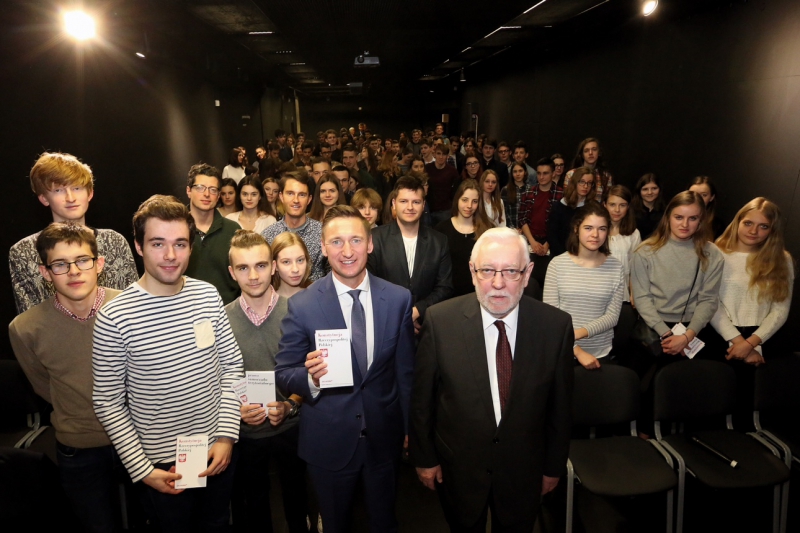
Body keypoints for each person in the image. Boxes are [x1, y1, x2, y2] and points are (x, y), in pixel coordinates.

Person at [92, 195, 244, 530]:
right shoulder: (114, 317)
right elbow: (107, 402)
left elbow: (232, 367)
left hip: (216, 451)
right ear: (138, 246)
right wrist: (143, 470)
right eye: (158, 243)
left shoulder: (208, 295)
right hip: (161, 465)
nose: (171, 255)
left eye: (180, 244)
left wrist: (226, 436)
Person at [409, 227, 574, 533]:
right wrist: (425, 458)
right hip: (458, 470)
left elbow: (560, 408)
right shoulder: (440, 321)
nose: (498, 284)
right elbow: (422, 401)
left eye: (511, 271)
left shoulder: (556, 327)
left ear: (527, 274)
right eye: (487, 270)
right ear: (472, 272)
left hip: (524, 472)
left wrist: (553, 467)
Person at [275, 206, 415, 533]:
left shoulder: (399, 299)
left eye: (356, 240)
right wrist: (311, 378)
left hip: (383, 439)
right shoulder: (303, 304)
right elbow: (284, 372)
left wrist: (410, 429)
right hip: (329, 442)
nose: (347, 251)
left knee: (385, 522)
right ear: (323, 248)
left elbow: (406, 373)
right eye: (336, 242)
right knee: (335, 524)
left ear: (370, 243)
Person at [10, 223, 123, 532]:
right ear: (45, 273)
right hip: (79, 448)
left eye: (82, 260)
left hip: (142, 439)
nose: (74, 271)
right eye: (60, 264)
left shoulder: (132, 310)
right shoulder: (25, 328)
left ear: (99, 264)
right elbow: (43, 385)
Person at [224, 230, 308, 533]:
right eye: (243, 268)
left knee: (298, 503)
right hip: (246, 434)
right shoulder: (222, 319)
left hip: (294, 428)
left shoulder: (297, 313)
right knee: (254, 509)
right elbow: (218, 379)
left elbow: (312, 374)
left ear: (273, 267)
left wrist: (290, 405)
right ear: (232, 272)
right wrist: (236, 411)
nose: (253, 276)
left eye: (260, 265)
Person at [10, 152, 138, 315]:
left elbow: (133, 303)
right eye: (58, 190)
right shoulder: (24, 251)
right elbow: (30, 318)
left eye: (76, 188)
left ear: (89, 193)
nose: (70, 198)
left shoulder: (114, 241)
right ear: (44, 198)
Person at [710, 198, 794, 427]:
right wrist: (738, 342)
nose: (754, 231)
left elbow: (780, 310)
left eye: (763, 226)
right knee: (716, 411)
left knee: (750, 416)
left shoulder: (782, 259)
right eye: (748, 223)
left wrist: (751, 344)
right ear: (738, 221)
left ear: (772, 230)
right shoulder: (715, 253)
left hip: (764, 341)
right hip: (720, 339)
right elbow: (711, 304)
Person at [631, 191, 724, 358]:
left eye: (693, 218)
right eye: (679, 217)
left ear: (701, 220)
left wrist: (687, 336)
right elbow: (641, 298)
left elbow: (708, 299)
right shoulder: (644, 252)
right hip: (654, 328)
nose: (685, 224)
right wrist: (667, 334)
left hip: (694, 328)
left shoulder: (712, 253)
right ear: (668, 217)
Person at [544, 203, 624, 369]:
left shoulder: (616, 267)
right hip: (563, 350)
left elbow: (612, 316)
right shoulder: (557, 265)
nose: (595, 235)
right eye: (588, 228)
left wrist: (576, 334)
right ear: (576, 229)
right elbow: (551, 317)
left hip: (600, 353)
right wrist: (576, 350)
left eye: (602, 229)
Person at [368, 175, 453, 332]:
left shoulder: (439, 241)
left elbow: (445, 287)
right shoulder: (375, 238)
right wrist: (401, 316)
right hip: (385, 324)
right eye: (403, 201)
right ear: (394, 204)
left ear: (423, 205)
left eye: (416, 202)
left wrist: (417, 311)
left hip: (425, 326)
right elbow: (370, 284)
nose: (410, 207)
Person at [183, 163, 242, 304]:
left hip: (227, 310)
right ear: (189, 191)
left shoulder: (232, 230)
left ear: (218, 195)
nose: (207, 194)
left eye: (213, 189)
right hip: (185, 311)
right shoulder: (176, 230)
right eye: (200, 188)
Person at [261, 172, 325, 281]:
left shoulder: (322, 233)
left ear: (309, 199)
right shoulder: (268, 235)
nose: (296, 200)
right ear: (281, 197)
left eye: (302, 195)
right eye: (290, 193)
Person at [435, 179, 490, 296]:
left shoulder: (487, 231)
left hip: (478, 294)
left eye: (474, 201)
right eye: (465, 200)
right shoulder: (441, 229)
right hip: (447, 295)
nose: (469, 206)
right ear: (457, 200)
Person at [603, 185, 642, 352]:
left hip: (622, 294)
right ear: (604, 205)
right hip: (600, 291)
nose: (617, 210)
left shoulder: (633, 233)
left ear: (628, 207)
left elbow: (635, 267)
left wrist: (634, 293)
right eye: (612, 204)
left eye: (622, 205)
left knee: (620, 339)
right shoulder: (597, 231)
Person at [547, 166, 595, 258]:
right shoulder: (559, 206)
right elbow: (552, 236)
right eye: (582, 182)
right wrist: (566, 257)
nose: (585, 186)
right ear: (574, 182)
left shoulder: (593, 207)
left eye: (589, 183)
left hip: (585, 257)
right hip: (560, 256)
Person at [562, 138, 613, 202]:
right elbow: (566, 198)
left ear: (599, 152)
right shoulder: (571, 174)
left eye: (594, 149)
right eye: (586, 151)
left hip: (596, 208)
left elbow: (607, 200)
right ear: (582, 155)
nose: (590, 153)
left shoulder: (606, 176)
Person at [425, 145, 461, 226]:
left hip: (445, 210)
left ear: (447, 156)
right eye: (439, 153)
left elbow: (456, 191)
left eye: (444, 154)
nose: (441, 157)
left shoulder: (452, 171)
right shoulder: (427, 169)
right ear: (434, 154)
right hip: (429, 209)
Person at [271, 232, 312, 299]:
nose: (295, 269)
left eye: (300, 260)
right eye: (286, 262)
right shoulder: (267, 300)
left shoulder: (318, 294)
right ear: (275, 266)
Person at [632, 173, 665, 240]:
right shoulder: (631, 210)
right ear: (639, 191)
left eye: (654, 188)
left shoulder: (666, 211)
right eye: (645, 189)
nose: (650, 192)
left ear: (660, 189)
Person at [502, 161, 532, 231]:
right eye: (515, 172)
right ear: (511, 174)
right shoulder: (505, 190)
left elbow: (531, 212)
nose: (518, 174)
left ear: (525, 172)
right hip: (510, 229)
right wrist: (513, 228)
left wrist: (524, 229)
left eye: (520, 171)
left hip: (527, 230)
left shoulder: (530, 189)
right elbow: (504, 211)